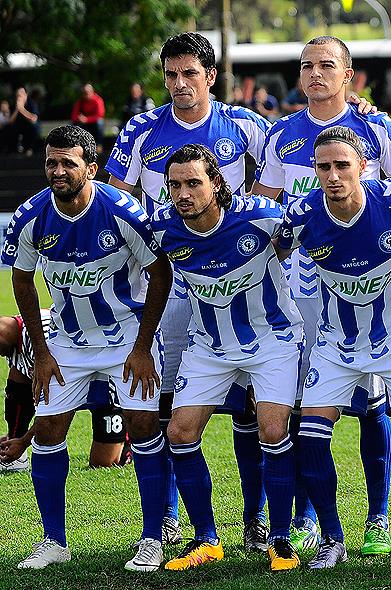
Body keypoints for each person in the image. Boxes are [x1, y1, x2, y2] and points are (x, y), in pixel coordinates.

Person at [106, 31, 274, 552]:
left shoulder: (245, 124)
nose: (180, 84)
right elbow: (115, 199)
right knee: (167, 406)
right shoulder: (141, 129)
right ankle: (169, 519)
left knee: (251, 407)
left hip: (238, 284)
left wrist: (356, 107)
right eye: (171, 75)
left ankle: (255, 519)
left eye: (190, 74)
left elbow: (283, 175)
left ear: (210, 76)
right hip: (170, 285)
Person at [252, 34, 391, 556]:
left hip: (366, 292)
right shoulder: (280, 135)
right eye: (306, 66)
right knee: (303, 404)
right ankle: (307, 516)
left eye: (326, 65)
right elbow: (266, 206)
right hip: (300, 291)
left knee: (371, 403)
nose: (315, 74)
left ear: (348, 74)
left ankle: (378, 517)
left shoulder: (376, 127)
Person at [276, 126, 391, 575]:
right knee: (311, 435)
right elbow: (271, 249)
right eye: (323, 167)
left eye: (342, 165)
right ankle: (332, 539)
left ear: (362, 167)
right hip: (336, 342)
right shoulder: (302, 213)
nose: (333, 176)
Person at [2, 125, 172, 571]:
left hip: (127, 339)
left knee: (143, 426)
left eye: (68, 163)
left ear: (91, 168)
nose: (57, 171)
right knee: (49, 429)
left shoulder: (123, 212)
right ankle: (53, 541)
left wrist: (143, 346)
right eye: (51, 163)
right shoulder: (30, 216)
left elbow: (161, 273)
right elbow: (22, 280)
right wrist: (41, 353)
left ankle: (152, 538)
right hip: (66, 343)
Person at [150, 144, 302, 572]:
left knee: (273, 430)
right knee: (180, 432)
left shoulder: (261, 216)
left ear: (216, 183)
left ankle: (280, 539)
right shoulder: (162, 228)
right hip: (209, 345)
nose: (183, 194)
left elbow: (304, 238)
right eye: (174, 185)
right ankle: (206, 539)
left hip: (272, 339)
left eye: (193, 183)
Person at [0, 310, 130, 472]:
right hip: (74, 378)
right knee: (17, 377)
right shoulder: (18, 334)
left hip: (106, 389)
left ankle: (129, 442)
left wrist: (23, 442)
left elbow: (52, 413)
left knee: (103, 464)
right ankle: (13, 443)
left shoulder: (45, 343)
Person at [6, 86, 39, 156]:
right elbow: (10, 121)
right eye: (18, 95)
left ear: (26, 94)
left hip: (28, 126)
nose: (19, 97)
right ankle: (12, 150)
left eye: (21, 94)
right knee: (10, 128)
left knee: (33, 128)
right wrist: (17, 109)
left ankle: (30, 149)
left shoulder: (31, 103)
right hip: (18, 127)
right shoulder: (14, 105)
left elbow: (33, 119)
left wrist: (22, 109)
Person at [71, 83, 106, 148]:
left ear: (92, 91)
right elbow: (74, 116)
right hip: (83, 122)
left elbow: (100, 115)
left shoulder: (98, 100)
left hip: (93, 122)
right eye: (84, 92)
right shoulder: (80, 101)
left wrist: (87, 119)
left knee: (100, 122)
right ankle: (75, 145)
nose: (86, 94)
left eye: (88, 92)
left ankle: (99, 145)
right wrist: (79, 118)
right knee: (73, 125)